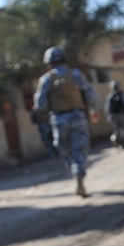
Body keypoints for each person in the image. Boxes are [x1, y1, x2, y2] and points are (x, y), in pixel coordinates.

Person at [34, 46, 99, 198]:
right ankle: (79, 173)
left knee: (65, 150)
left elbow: (40, 104)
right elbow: (90, 93)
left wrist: (41, 114)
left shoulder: (46, 79)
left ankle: (74, 171)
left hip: (58, 119)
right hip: (78, 117)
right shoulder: (76, 74)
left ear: (49, 63)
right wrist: (94, 109)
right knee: (80, 149)